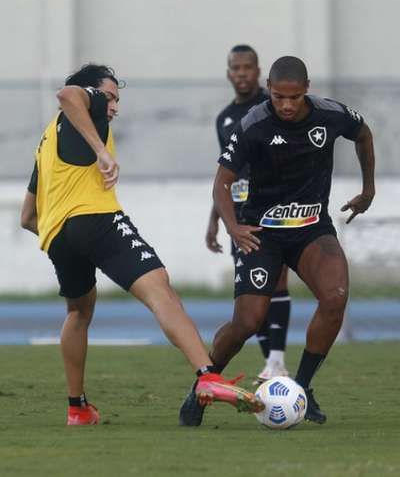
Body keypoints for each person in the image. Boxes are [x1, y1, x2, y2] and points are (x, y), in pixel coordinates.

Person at [20, 64, 262, 426]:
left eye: (117, 100)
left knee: (78, 313)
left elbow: (27, 217)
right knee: (160, 289)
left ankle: (78, 408)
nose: (114, 106)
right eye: (111, 97)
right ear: (93, 92)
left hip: (56, 235)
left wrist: (65, 234)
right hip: (96, 220)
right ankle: (207, 375)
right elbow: (67, 94)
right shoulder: (87, 107)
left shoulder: (47, 141)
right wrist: (101, 151)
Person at [179, 55, 376, 426]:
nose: (285, 105)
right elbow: (221, 182)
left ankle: (300, 389)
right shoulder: (252, 124)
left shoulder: (331, 115)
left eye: (294, 98)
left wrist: (368, 189)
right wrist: (234, 227)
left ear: (307, 90)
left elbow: (363, 134)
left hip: (311, 228)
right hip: (262, 232)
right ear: (268, 88)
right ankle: (202, 385)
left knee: (335, 299)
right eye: (278, 97)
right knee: (247, 322)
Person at [207, 44, 292, 383]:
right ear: (229, 73)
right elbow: (225, 173)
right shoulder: (224, 118)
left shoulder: (273, 106)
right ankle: (271, 366)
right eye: (235, 68)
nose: (241, 73)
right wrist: (214, 219)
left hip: (274, 208)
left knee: (278, 282)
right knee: (252, 295)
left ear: (258, 72)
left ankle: (276, 361)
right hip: (239, 217)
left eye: (247, 67)